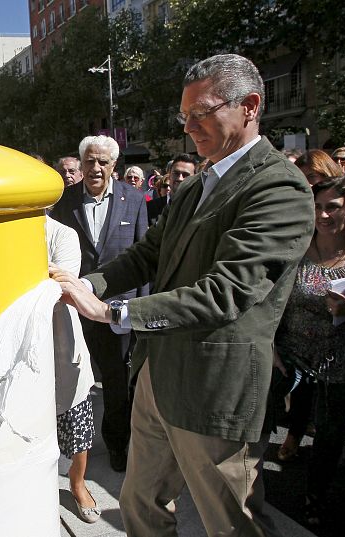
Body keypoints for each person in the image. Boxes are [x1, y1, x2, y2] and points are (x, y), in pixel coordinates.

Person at [51, 53, 314, 536]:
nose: (189, 127)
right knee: (140, 503)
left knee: (231, 519)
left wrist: (113, 311)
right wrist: (84, 284)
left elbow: (227, 293)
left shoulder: (278, 186)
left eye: (202, 113)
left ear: (250, 106)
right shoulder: (194, 187)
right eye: (184, 115)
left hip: (214, 386)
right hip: (157, 378)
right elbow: (147, 255)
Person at [49, 135, 148, 473]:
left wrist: (140, 315)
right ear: (81, 163)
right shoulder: (65, 203)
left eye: (102, 162)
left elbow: (144, 258)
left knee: (116, 383)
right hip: (73, 309)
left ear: (113, 166)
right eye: (89, 161)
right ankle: (72, 450)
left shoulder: (133, 200)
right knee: (70, 379)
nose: (95, 168)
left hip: (116, 312)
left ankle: (118, 445)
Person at [274, 176, 345, 526]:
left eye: (332, 207)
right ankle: (248, 490)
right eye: (317, 207)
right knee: (262, 419)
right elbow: (271, 302)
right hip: (291, 355)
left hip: (341, 360)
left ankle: (316, 497)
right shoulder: (295, 249)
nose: (323, 215)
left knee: (329, 435)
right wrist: (270, 346)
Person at [273, 149, 343, 463]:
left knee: (334, 408)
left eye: (314, 182)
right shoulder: (291, 220)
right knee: (297, 389)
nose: (308, 190)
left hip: (339, 334)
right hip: (294, 328)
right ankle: (294, 433)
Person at [46, 215, 98, 523]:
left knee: (76, 424)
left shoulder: (61, 234)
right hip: (14, 347)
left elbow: (60, 283)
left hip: (60, 340)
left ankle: (77, 485)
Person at [146, 153, 196, 226]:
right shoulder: (150, 207)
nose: (180, 178)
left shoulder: (200, 207)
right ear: (169, 176)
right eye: (176, 173)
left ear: (195, 178)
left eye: (185, 175)